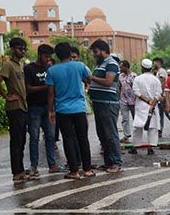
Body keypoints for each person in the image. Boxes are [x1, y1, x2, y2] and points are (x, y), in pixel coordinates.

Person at [46, 42, 95, 180]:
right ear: (69, 53)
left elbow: (50, 93)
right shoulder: (79, 66)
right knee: (83, 138)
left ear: (57, 55)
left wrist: (50, 110)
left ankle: (74, 171)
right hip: (79, 108)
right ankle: (87, 170)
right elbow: (89, 78)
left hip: (62, 109)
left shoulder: (52, 71)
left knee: (68, 140)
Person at [0, 37, 32, 183]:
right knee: (16, 141)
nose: (22, 51)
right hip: (14, 107)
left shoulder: (20, 65)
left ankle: (20, 170)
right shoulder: (8, 65)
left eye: (24, 49)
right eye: (20, 48)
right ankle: (16, 172)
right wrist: (7, 96)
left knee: (21, 140)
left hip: (23, 106)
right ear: (12, 49)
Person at [24, 43, 60, 175]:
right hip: (34, 106)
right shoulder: (29, 69)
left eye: (50, 57)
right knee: (34, 136)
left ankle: (52, 164)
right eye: (46, 57)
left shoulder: (50, 69)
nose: (48, 59)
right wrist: (46, 87)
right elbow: (28, 88)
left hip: (49, 106)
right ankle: (34, 165)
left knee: (50, 136)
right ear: (39, 55)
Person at [88, 39, 123, 173]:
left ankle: (116, 163)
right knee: (102, 134)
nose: (94, 55)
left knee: (110, 134)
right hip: (99, 103)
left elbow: (108, 81)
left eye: (96, 52)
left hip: (108, 104)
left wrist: (91, 77)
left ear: (103, 50)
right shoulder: (100, 64)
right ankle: (108, 162)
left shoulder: (111, 64)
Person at [129, 59, 162, 155]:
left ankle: (135, 147)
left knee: (138, 127)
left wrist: (147, 101)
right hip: (153, 106)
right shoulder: (156, 79)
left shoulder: (138, 79)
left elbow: (136, 92)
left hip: (141, 105)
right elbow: (158, 93)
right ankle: (151, 147)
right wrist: (152, 103)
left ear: (142, 68)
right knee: (153, 127)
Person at [118, 60, 137, 143]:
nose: (120, 68)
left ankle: (137, 135)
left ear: (126, 67)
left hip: (133, 100)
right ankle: (126, 135)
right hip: (123, 100)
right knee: (125, 118)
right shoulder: (120, 76)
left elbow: (136, 88)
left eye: (121, 66)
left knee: (135, 118)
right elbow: (119, 86)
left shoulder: (134, 76)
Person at [153, 58, 168, 137]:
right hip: (160, 95)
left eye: (154, 62)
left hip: (162, 95)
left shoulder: (161, 71)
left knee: (166, 113)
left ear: (158, 62)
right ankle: (160, 130)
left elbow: (163, 82)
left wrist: (161, 94)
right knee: (161, 113)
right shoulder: (158, 71)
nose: (153, 64)